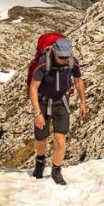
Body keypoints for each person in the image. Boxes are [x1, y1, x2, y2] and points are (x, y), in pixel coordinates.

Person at [29, 37, 86, 184]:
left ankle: (56, 171)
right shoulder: (43, 62)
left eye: (66, 56)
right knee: (41, 138)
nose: (64, 60)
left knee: (60, 139)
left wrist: (83, 102)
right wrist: (37, 113)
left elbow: (78, 81)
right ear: (54, 51)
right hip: (43, 102)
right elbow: (33, 88)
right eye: (61, 57)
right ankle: (40, 162)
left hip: (62, 102)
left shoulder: (72, 62)